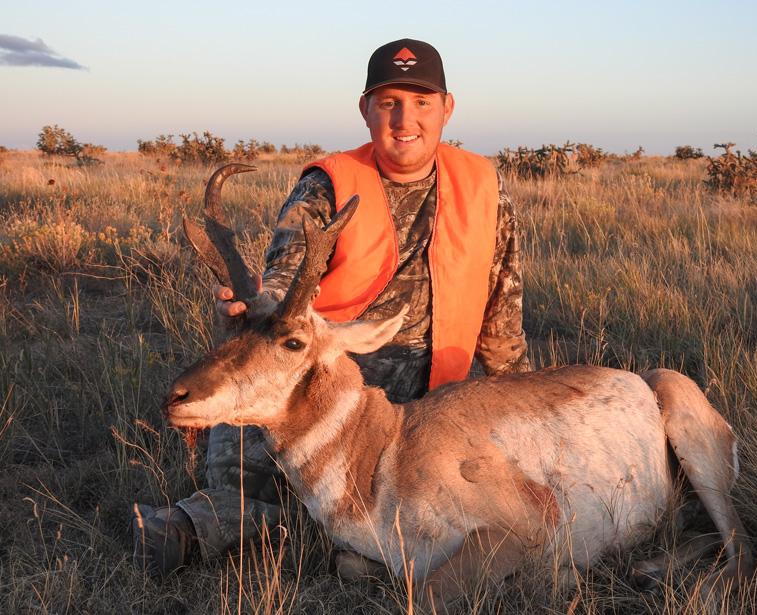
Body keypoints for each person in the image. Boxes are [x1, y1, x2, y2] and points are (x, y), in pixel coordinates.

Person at [133, 38, 530, 577]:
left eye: (421, 102)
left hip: (428, 407)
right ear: (365, 109)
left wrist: (523, 403)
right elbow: (279, 296)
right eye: (388, 101)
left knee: (435, 496)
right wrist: (247, 305)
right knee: (262, 486)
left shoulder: (483, 185)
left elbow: (502, 319)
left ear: (447, 108)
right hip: (314, 386)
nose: (404, 118)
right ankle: (187, 527)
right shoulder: (328, 185)